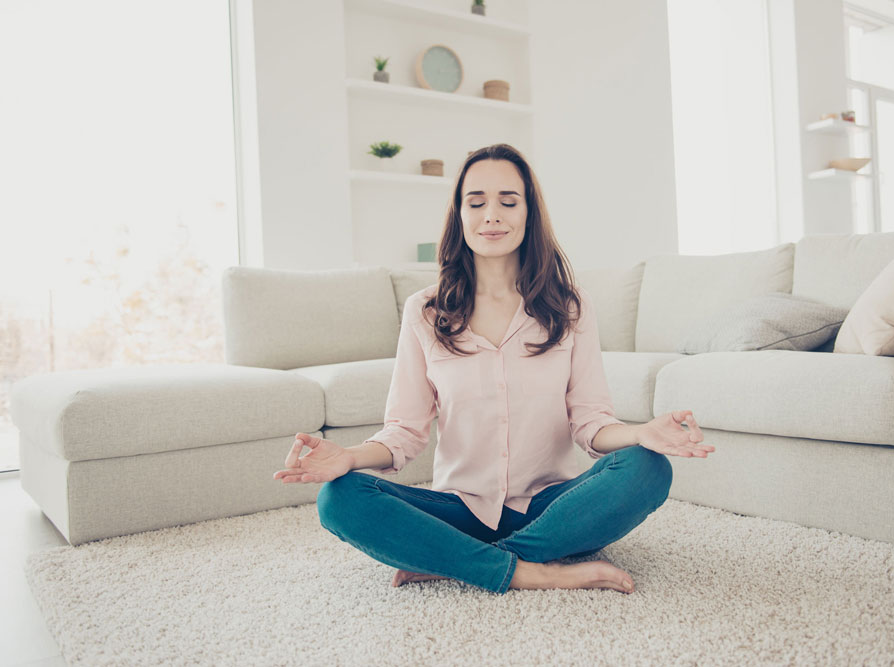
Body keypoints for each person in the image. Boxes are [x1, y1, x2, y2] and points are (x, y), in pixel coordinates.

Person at [272, 143, 715, 595]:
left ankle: (457, 560)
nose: (492, 215)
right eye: (476, 202)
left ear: (529, 213)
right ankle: (531, 569)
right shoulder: (424, 311)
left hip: (546, 507)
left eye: (508, 201)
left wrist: (641, 433)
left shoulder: (570, 305)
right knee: (339, 498)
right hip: (460, 507)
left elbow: (590, 421)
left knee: (648, 468)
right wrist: (348, 456)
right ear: (459, 215)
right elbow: (404, 431)